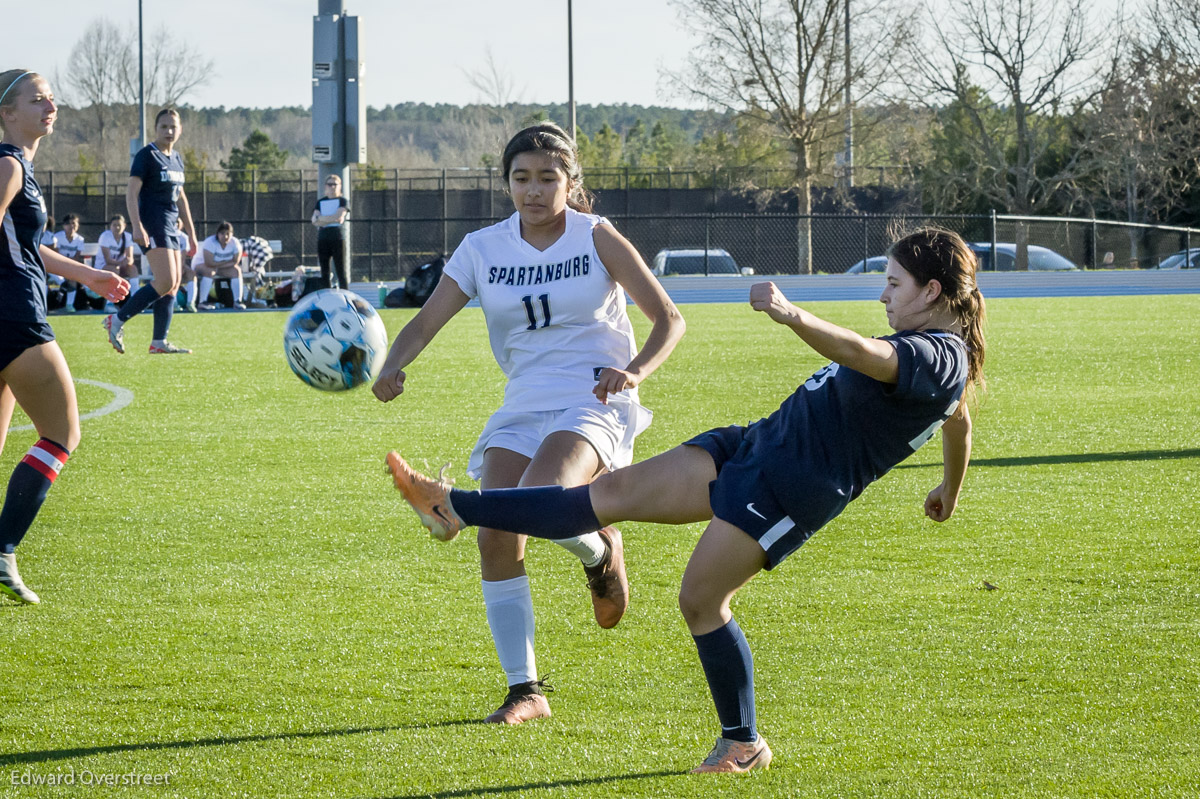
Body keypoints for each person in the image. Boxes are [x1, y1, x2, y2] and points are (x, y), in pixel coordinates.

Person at [384, 226, 986, 772]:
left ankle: (743, 743)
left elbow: (864, 354)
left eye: (893, 283)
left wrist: (791, 314)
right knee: (605, 494)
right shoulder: (939, 356)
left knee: (700, 601)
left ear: (931, 290)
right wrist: (948, 490)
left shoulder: (939, 356)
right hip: (750, 447)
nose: (883, 296)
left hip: (788, 490)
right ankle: (457, 508)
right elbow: (958, 422)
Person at [372, 123, 686, 725]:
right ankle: (527, 691)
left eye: (548, 178)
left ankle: (488, 517)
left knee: (539, 500)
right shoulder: (482, 248)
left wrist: (636, 370)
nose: (534, 191)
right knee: (499, 535)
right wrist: (394, 366)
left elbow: (668, 318)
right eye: (522, 179)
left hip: (592, 395)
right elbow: (424, 321)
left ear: (571, 181)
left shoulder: (597, 237)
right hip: (523, 403)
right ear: (507, 183)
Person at [0, 69, 129, 604]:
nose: (50, 106)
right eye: (37, 99)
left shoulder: (16, 164)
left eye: (51, 98)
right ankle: (3, 549)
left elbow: (27, 247)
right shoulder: (8, 163)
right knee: (61, 433)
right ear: (6, 112)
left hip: (9, 312)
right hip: (15, 317)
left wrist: (87, 275)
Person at [105, 107, 196, 354]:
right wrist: (136, 225)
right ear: (155, 129)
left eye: (173, 127)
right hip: (152, 224)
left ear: (180, 129)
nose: (169, 131)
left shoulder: (176, 158)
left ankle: (158, 342)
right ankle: (117, 319)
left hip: (171, 227)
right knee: (165, 280)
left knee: (174, 284)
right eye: (163, 126)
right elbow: (131, 192)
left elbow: (181, 199)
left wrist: (193, 235)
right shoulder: (147, 156)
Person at [311, 173, 349, 289]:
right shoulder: (320, 202)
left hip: (337, 238)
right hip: (323, 238)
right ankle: (326, 295)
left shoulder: (342, 201)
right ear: (325, 186)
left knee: (340, 270)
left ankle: (345, 295)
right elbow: (314, 220)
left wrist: (322, 218)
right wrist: (328, 219)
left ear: (340, 186)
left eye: (335, 184)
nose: (332, 187)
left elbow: (339, 218)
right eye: (330, 184)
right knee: (324, 271)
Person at [195, 220, 244, 310]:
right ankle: (202, 302)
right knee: (210, 271)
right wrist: (226, 263)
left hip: (217, 267)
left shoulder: (235, 243)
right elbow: (208, 263)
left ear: (232, 234)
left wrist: (217, 265)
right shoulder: (210, 242)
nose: (225, 236)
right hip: (200, 265)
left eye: (228, 233)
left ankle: (237, 301)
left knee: (236, 271)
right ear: (217, 234)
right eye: (222, 233)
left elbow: (235, 262)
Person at [52, 212, 86, 312]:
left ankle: (69, 305)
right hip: (57, 266)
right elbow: (56, 255)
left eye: (74, 223)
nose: (71, 226)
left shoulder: (80, 239)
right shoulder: (57, 237)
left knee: (73, 278)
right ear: (64, 226)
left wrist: (68, 267)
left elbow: (77, 257)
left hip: (70, 267)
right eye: (68, 223)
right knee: (60, 280)